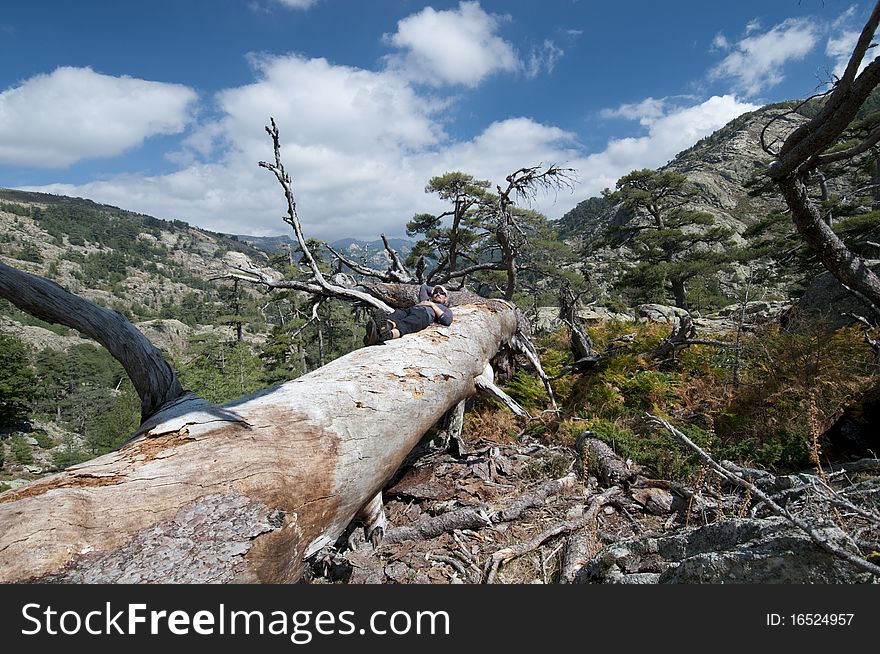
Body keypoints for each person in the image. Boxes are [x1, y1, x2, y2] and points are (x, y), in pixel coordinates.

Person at [364, 283, 453, 345]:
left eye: (441, 293)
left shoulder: (445, 309)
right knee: (397, 314)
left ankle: (385, 335)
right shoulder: (425, 300)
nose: (438, 294)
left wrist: (432, 304)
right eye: (435, 292)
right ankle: (383, 328)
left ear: (446, 298)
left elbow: (447, 320)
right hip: (410, 309)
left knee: (406, 324)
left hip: (424, 315)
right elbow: (424, 287)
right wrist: (432, 293)